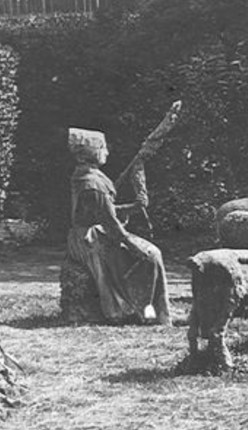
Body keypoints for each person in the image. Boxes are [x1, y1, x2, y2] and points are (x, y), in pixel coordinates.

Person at [66, 127, 171, 325]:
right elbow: (110, 222)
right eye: (103, 148)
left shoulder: (88, 177)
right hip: (91, 240)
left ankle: (146, 308)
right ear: (93, 152)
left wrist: (133, 207)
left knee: (148, 254)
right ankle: (146, 311)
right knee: (152, 255)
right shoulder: (92, 183)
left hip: (95, 233)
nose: (106, 152)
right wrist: (132, 246)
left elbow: (105, 211)